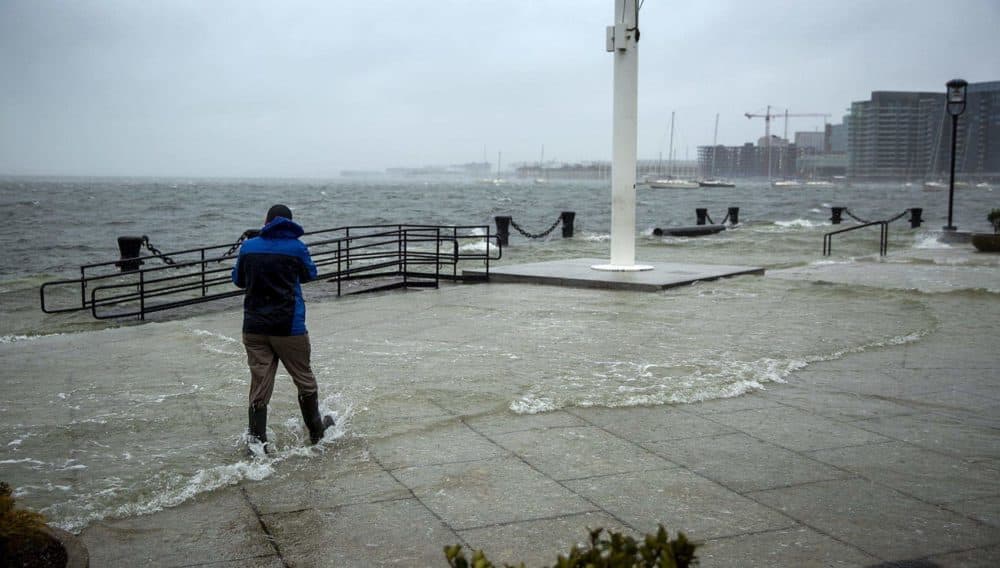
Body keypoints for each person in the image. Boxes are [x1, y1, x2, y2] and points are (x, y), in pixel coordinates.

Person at [231, 204, 333, 453]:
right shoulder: (297, 248)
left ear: (266, 221)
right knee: (304, 379)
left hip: (254, 327)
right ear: (289, 223)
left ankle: (257, 443)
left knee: (260, 383)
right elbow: (310, 274)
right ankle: (317, 433)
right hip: (289, 327)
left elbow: (238, 280)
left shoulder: (249, 246)